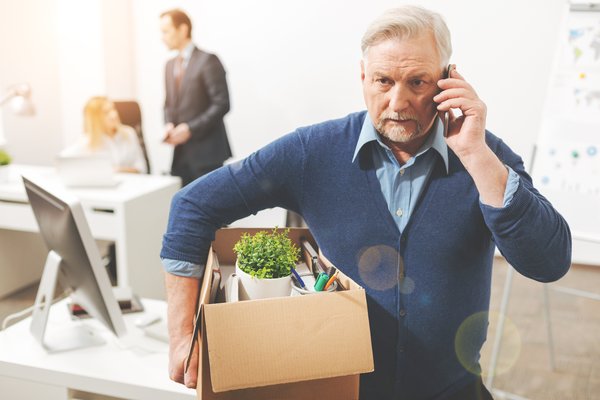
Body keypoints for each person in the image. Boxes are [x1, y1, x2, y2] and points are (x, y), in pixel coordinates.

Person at [160, 6, 572, 400]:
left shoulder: (484, 156)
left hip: (453, 391)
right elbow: (193, 206)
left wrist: (477, 157)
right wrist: (182, 338)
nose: (397, 102)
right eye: (383, 81)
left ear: (448, 81)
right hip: (337, 390)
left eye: (417, 82)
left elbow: (549, 261)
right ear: (362, 77)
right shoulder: (313, 152)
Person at [160, 9, 232, 186]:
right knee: (185, 209)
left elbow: (222, 103)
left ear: (183, 30)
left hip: (207, 156)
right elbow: (169, 104)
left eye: (166, 31)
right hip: (180, 157)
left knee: (211, 210)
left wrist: (189, 128)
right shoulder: (169, 66)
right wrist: (169, 124)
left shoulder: (208, 60)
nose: (162, 37)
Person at [62, 96, 147, 174]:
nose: (114, 115)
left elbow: (142, 168)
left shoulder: (129, 133)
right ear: (95, 119)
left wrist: (117, 170)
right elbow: (63, 160)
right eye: (106, 112)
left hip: (131, 185)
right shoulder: (87, 140)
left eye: (113, 109)